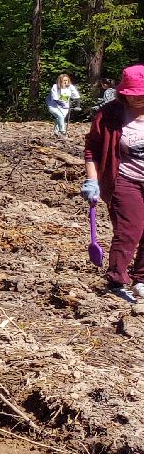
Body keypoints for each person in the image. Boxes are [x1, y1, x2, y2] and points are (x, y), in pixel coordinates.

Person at [82, 64, 144, 304]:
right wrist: (92, 180)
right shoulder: (110, 114)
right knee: (130, 229)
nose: (137, 99)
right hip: (124, 180)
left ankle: (140, 279)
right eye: (132, 94)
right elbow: (92, 148)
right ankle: (117, 279)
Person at [48, 73, 82, 137]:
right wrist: (61, 104)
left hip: (65, 107)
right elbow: (55, 98)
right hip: (54, 106)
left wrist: (78, 106)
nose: (65, 82)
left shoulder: (70, 87)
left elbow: (77, 96)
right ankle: (62, 132)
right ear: (60, 81)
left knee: (60, 118)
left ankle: (56, 132)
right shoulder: (55, 86)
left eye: (66, 80)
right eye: (64, 80)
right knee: (60, 116)